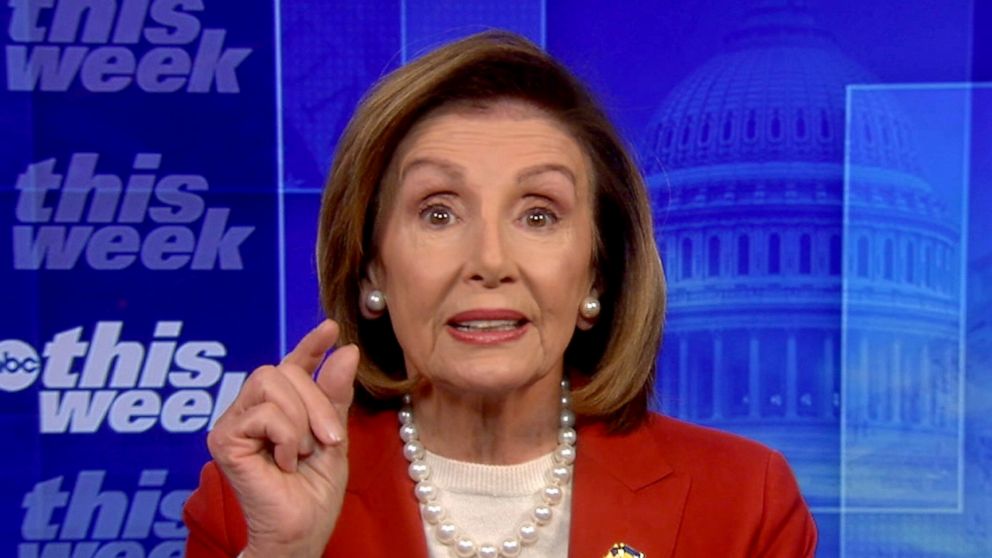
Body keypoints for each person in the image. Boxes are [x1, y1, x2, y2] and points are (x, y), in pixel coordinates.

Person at [183, 31, 817, 558]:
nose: (489, 261)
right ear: (371, 268)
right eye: (437, 213)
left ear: (596, 272)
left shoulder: (740, 502)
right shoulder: (252, 501)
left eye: (538, 215)